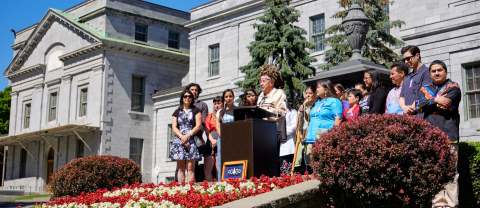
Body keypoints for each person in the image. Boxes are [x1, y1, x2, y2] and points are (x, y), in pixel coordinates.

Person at [415, 60, 461, 208]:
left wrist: (428, 103)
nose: (436, 73)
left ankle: (451, 205)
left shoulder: (454, 87)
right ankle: (438, 205)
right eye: (433, 71)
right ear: (430, 74)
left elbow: (447, 104)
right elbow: (417, 105)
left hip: (449, 136)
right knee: (435, 173)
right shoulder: (424, 89)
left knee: (451, 173)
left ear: (445, 72)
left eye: (439, 70)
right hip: (430, 138)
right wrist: (435, 99)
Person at [175, 83, 208, 182]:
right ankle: (178, 187)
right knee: (180, 167)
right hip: (181, 139)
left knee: (192, 166)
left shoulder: (201, 105)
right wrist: (182, 137)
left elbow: (203, 122)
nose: (194, 92)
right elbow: (176, 125)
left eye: (196, 90)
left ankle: (191, 189)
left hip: (195, 138)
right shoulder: (181, 107)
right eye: (191, 90)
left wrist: (195, 134)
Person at [305, 80, 343, 166]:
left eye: (319, 87)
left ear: (326, 90)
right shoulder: (316, 102)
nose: (316, 89)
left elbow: (338, 119)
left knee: (325, 160)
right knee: (316, 159)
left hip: (326, 134)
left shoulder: (334, 101)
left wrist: (333, 134)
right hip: (314, 134)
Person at [170, 89, 202, 182]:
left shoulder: (196, 110)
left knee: (190, 167)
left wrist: (187, 136)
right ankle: (181, 190)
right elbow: (174, 127)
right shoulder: (177, 111)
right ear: (182, 98)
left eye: (189, 96)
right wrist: (182, 137)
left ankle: (189, 191)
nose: (187, 98)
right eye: (185, 96)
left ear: (192, 98)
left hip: (191, 139)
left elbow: (198, 126)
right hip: (179, 141)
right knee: (180, 168)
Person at [399, 45, 432, 116]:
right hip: (407, 118)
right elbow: (401, 97)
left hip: (421, 117)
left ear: (417, 56)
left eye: (408, 58)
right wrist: (404, 108)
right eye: (404, 60)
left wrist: (411, 109)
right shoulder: (407, 77)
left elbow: (424, 93)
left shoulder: (427, 72)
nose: (406, 62)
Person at [293, 86, 316, 174]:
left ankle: (310, 170)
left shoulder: (313, 105)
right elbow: (298, 119)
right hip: (302, 132)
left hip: (309, 132)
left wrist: (304, 113)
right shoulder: (303, 105)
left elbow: (310, 118)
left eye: (310, 93)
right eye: (306, 93)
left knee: (309, 152)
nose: (308, 95)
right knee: (299, 153)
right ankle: (299, 171)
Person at [215, 89, 236, 181]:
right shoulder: (220, 112)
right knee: (222, 161)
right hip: (222, 140)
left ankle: (234, 180)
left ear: (233, 97)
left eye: (230, 96)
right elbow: (218, 127)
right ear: (224, 99)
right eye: (226, 97)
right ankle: (222, 181)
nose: (228, 98)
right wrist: (223, 138)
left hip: (234, 139)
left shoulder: (237, 109)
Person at [203, 96, 223, 182]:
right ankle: (210, 188)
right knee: (207, 168)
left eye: (219, 103)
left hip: (221, 139)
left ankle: (220, 185)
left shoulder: (225, 114)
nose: (217, 105)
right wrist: (212, 140)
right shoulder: (210, 116)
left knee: (218, 168)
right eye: (215, 104)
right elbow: (207, 130)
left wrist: (218, 141)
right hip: (211, 140)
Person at [279, 96, 297, 176]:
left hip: (287, 142)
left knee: (287, 166)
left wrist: (282, 133)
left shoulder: (292, 111)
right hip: (276, 143)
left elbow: (294, 126)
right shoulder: (275, 111)